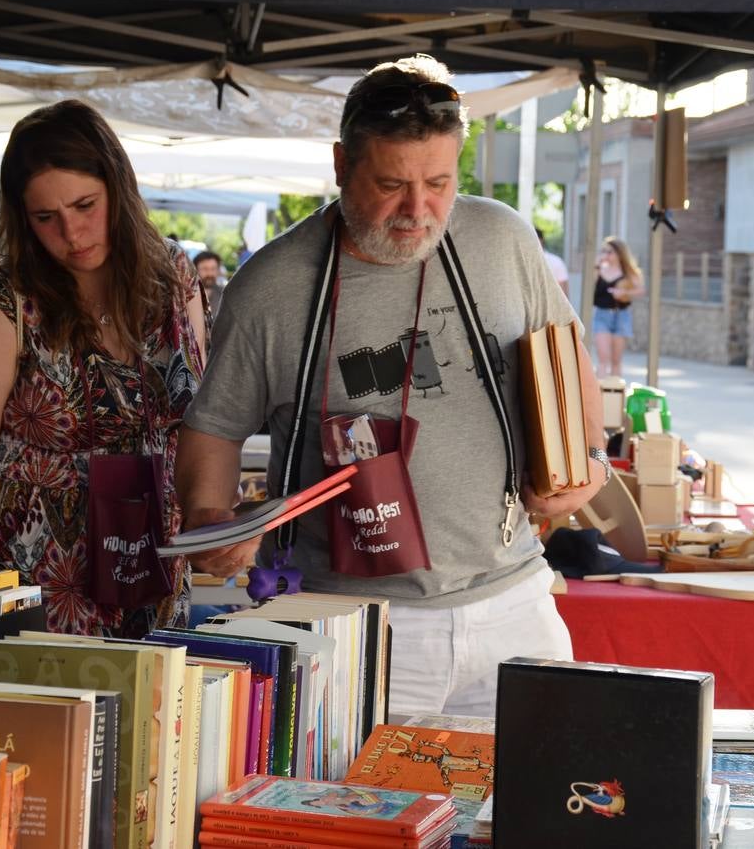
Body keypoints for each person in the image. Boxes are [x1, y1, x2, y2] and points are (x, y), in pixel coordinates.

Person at [175, 55, 608, 718]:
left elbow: (566, 352)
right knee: (354, 814)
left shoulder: (500, 238)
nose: (418, 209)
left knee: (531, 813)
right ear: (341, 163)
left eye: (439, 182)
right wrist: (210, 521)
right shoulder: (274, 285)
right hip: (349, 621)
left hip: (513, 605)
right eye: (390, 184)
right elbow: (216, 426)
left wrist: (591, 463)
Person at [0, 100, 208, 637]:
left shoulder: (175, 279)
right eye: (46, 218)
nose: (72, 233)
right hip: (34, 587)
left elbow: (202, 422)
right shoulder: (3, 311)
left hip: (148, 566)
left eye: (85, 205)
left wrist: (212, 519)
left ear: (118, 186)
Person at [591, 236, 644, 377]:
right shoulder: (599, 270)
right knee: (603, 358)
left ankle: (615, 394)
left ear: (619, 253)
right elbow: (590, 286)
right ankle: (600, 393)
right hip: (602, 314)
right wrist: (597, 265)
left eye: (610, 252)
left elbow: (640, 290)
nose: (606, 255)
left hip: (621, 315)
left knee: (616, 360)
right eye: (604, 251)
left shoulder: (628, 272)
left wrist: (624, 292)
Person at [536, 226, 570, 297]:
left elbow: (563, 292)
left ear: (541, 240)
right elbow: (564, 294)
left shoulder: (556, 261)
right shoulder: (556, 261)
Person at [192, 249, 226, 317]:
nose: (209, 273)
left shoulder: (225, 295)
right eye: (205, 269)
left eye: (213, 269)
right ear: (195, 270)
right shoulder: (187, 296)